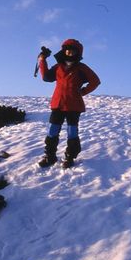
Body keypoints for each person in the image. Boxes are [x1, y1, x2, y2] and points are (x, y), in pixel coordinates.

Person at [37, 39, 101, 168]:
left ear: (77, 52)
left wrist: (83, 91)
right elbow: (46, 77)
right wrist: (42, 60)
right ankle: (50, 156)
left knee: (72, 132)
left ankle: (70, 157)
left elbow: (95, 81)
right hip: (58, 104)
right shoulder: (58, 66)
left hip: (74, 105)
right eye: (67, 49)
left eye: (72, 50)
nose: (69, 52)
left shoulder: (82, 68)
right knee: (52, 131)